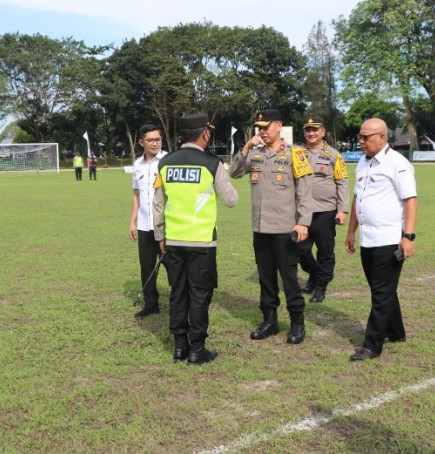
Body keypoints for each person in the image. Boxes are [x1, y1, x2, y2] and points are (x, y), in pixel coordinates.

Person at [153, 113, 238, 365]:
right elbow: (232, 200)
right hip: (201, 241)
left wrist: (160, 235)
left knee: (178, 293)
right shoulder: (212, 163)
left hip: (174, 241)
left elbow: (158, 204)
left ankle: (180, 346)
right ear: (205, 134)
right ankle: (196, 349)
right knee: (200, 295)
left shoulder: (165, 162)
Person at [229, 109, 313, 344]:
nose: (262, 132)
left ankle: (297, 322)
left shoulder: (295, 154)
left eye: (266, 127)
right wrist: (245, 147)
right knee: (266, 278)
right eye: (259, 128)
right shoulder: (255, 154)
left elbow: (305, 193)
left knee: (289, 278)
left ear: (279, 126)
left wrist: (303, 223)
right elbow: (234, 172)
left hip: (285, 229)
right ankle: (270, 320)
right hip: (261, 228)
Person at [345, 118, 417, 361]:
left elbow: (410, 200)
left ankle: (372, 345)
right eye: (360, 137)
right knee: (381, 289)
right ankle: (395, 331)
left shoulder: (398, 164)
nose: (361, 141)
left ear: (382, 138)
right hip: (368, 238)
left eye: (366, 137)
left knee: (382, 293)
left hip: (389, 239)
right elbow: (358, 198)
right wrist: (352, 231)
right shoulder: (363, 164)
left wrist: (408, 237)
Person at [298, 116, 349, 303]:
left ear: (323, 132)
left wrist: (342, 210)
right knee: (300, 250)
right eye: (308, 129)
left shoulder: (334, 155)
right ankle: (314, 273)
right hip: (301, 211)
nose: (311, 133)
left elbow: (342, 182)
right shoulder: (297, 153)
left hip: (325, 210)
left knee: (325, 251)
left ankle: (321, 287)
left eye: (315, 129)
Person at [129, 124, 168, 319]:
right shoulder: (137, 165)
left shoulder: (170, 161)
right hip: (145, 226)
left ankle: (180, 303)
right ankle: (151, 304)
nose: (155, 143)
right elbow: (136, 194)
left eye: (158, 139)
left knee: (173, 265)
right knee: (147, 267)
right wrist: (132, 221)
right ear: (141, 142)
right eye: (151, 140)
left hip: (166, 226)